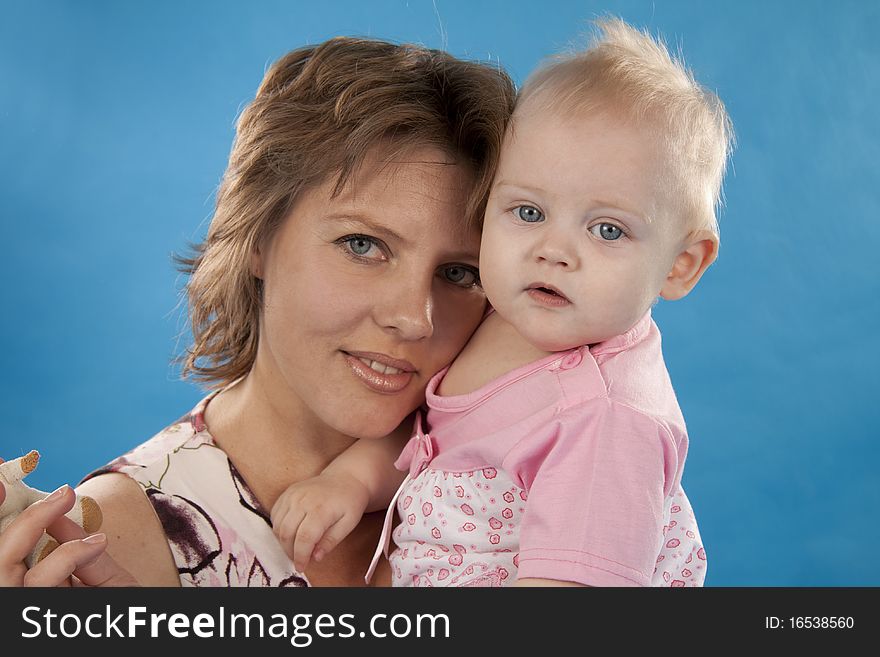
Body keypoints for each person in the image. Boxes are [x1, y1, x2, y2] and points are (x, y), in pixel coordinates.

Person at [0, 36, 515, 587]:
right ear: (258, 235)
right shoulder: (109, 546)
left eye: (461, 273)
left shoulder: (527, 473)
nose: (415, 318)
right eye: (363, 245)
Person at [270, 18, 734, 587]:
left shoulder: (608, 417)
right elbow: (436, 431)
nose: (553, 251)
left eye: (608, 230)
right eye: (529, 212)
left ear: (680, 264)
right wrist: (352, 480)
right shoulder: (503, 315)